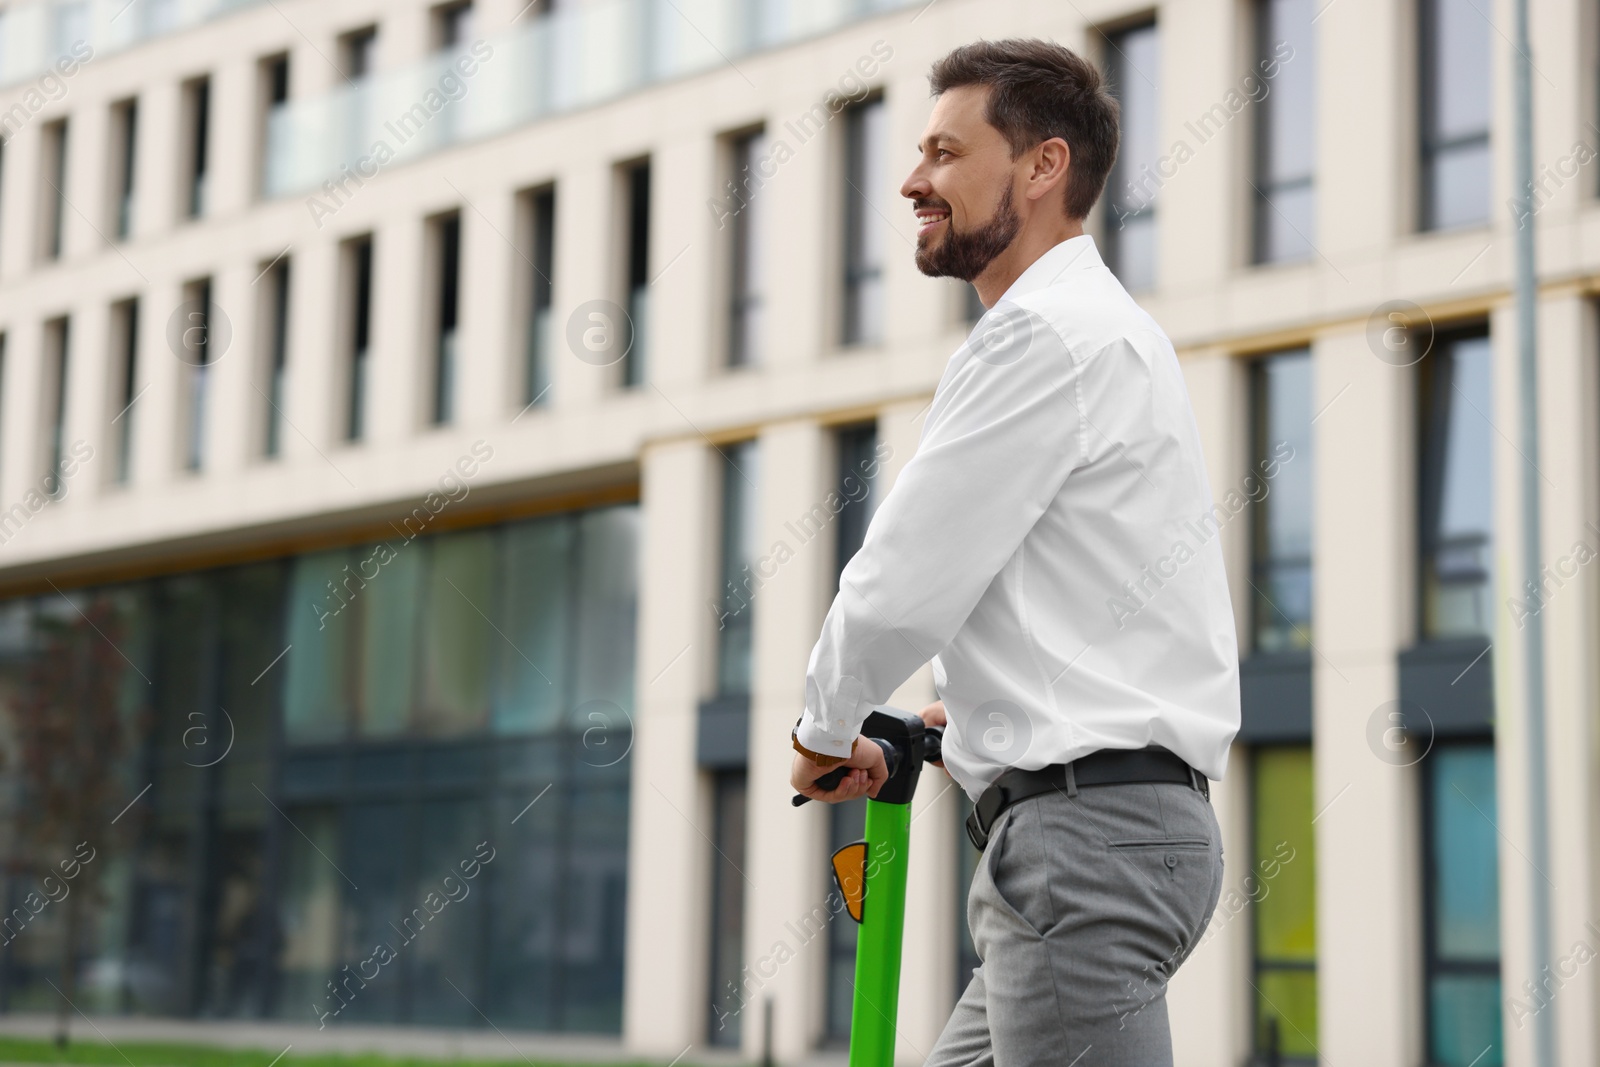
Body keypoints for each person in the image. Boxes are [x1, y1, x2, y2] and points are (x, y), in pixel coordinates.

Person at [788, 38, 1241, 1066]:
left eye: (945, 153)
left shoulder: (1043, 338)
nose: (912, 180)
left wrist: (822, 731)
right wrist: (973, 709)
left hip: (1085, 849)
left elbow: (902, 580)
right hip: (1103, 835)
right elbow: (1100, 592)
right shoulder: (1105, 332)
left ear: (1041, 167)